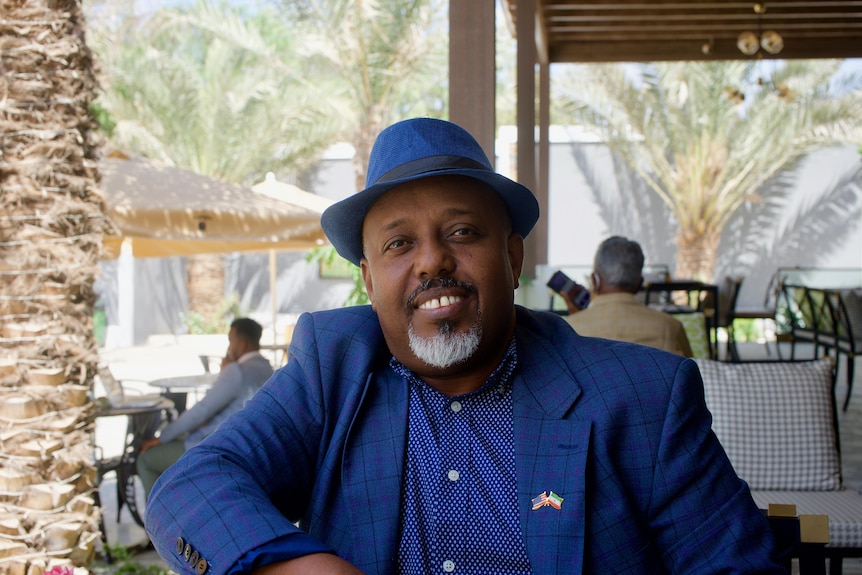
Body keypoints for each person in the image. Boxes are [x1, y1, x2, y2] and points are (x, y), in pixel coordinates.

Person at [145, 118, 781, 574]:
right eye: (399, 244)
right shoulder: (334, 367)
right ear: (368, 281)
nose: (432, 262)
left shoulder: (645, 398)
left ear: (511, 255)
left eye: (461, 231)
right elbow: (190, 486)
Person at [137, 317, 272, 499]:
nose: (228, 347)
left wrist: (162, 438)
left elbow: (202, 410)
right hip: (248, 447)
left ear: (242, 344)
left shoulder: (237, 371)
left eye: (230, 341)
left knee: (146, 459)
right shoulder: (267, 369)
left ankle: (161, 521)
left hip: (212, 447)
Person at [562, 236, 694, 357]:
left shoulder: (568, 328)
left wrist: (577, 317)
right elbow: (689, 376)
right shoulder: (670, 327)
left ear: (595, 281)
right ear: (639, 284)